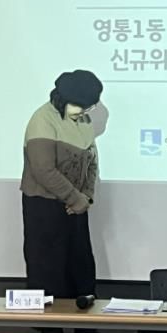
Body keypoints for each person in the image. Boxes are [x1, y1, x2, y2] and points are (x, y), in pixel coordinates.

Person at [20, 69, 102, 303]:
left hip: (76, 206)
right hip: (45, 208)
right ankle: (50, 323)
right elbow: (43, 169)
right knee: (49, 271)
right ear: (63, 99)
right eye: (80, 106)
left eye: (88, 107)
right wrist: (75, 199)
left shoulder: (83, 121)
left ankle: (84, 319)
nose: (84, 112)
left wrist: (86, 197)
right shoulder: (42, 120)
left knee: (81, 268)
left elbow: (91, 161)